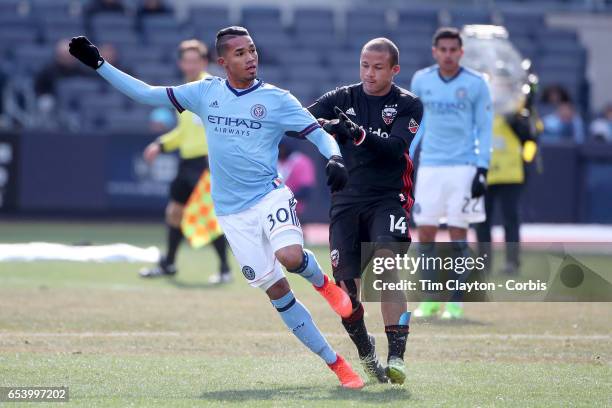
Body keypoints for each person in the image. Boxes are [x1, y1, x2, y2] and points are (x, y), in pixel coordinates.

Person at [68, 26, 364, 388]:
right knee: (277, 293)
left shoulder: (277, 99)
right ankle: (337, 365)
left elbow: (320, 134)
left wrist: (334, 158)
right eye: (240, 53)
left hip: (269, 195)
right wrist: (99, 64)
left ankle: (325, 286)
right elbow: (145, 94)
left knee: (289, 256)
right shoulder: (205, 93)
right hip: (230, 212)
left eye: (252, 49)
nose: (250, 57)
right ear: (222, 62)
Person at [307, 38, 423, 385]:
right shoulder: (342, 98)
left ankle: (397, 355)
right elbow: (301, 121)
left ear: (394, 70)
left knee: (387, 267)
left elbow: (395, 148)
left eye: (378, 68)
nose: (369, 74)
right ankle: (366, 351)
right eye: (364, 66)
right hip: (345, 201)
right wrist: (329, 129)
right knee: (346, 291)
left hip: (388, 197)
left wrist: (356, 135)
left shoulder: (408, 105)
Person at [410, 27, 493, 320]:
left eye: (452, 50)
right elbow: (415, 125)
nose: (447, 54)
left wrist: (482, 167)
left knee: (459, 233)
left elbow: (485, 127)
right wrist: (406, 156)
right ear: (435, 52)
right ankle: (431, 298)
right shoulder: (421, 80)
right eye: (442, 50)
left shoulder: (476, 84)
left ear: (461, 52)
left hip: (463, 167)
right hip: (430, 167)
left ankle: (456, 301)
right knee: (426, 232)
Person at [138, 40, 231, 284]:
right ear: (180, 63)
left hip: (205, 163)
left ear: (204, 62)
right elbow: (183, 132)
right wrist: (160, 144)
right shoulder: (185, 90)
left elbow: (222, 126)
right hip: (186, 163)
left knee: (208, 217)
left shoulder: (210, 87)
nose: (190, 65)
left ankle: (224, 269)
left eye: (195, 60)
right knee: (175, 212)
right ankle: (169, 263)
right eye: (186, 60)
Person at [277, 142, 316, 217]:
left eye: (282, 147)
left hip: (294, 210)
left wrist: (284, 197)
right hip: (269, 209)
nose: (280, 150)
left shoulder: (301, 161)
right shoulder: (270, 161)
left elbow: (305, 190)